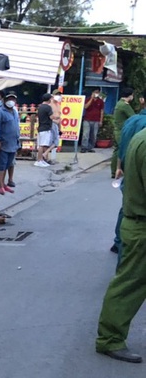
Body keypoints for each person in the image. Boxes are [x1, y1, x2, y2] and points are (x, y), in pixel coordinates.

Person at [95, 127, 146, 364]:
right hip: (141, 226)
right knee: (128, 285)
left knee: (128, 282)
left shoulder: (142, 136)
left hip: (136, 222)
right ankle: (110, 339)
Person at [109, 109, 146, 257]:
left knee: (126, 207)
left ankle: (118, 241)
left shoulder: (131, 120)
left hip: (128, 168)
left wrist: (119, 167)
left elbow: (122, 145)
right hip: (138, 172)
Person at [0, 91, 20, 195]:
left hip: (13, 143)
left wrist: (18, 142)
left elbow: (16, 128)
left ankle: (4, 184)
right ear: (4, 100)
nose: (11, 101)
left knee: (7, 165)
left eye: (13, 99)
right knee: (1, 165)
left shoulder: (14, 112)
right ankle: (0, 185)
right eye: (8, 99)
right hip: (3, 143)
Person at [111, 88, 136, 178]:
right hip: (122, 131)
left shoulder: (119, 103)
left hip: (117, 130)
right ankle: (121, 170)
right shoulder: (125, 105)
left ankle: (114, 171)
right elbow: (133, 117)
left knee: (117, 150)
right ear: (129, 96)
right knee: (124, 150)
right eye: (132, 95)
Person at [81, 88, 105, 153]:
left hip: (96, 120)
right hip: (87, 119)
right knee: (85, 134)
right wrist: (92, 99)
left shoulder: (101, 101)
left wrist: (101, 121)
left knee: (93, 135)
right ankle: (84, 147)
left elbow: (102, 111)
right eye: (95, 92)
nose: (96, 94)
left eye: (97, 92)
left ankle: (90, 147)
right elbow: (85, 107)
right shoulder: (88, 99)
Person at [34, 93, 54, 168]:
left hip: (41, 127)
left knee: (41, 144)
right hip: (45, 128)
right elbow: (51, 117)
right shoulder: (48, 107)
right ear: (49, 99)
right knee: (42, 145)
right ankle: (39, 160)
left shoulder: (40, 107)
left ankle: (41, 160)